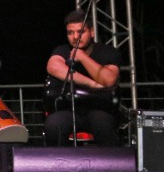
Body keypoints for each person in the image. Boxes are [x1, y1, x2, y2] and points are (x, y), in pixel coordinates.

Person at [43, 9, 121, 146]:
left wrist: (83, 58)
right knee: (53, 124)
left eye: (80, 32)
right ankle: (60, 159)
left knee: (104, 125)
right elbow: (53, 67)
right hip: (68, 110)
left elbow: (109, 79)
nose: (75, 37)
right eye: (70, 33)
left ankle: (108, 160)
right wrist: (93, 84)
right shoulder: (62, 50)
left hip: (98, 110)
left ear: (92, 32)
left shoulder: (107, 52)